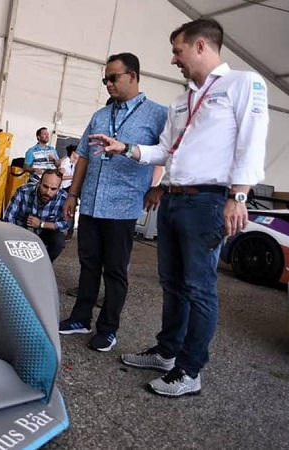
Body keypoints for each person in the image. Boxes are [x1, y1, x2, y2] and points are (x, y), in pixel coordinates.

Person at [89, 18, 269, 397]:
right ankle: (167, 352)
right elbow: (164, 151)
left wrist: (237, 196)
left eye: (177, 51)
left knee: (199, 288)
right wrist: (126, 148)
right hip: (172, 198)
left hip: (208, 200)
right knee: (171, 284)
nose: (173, 60)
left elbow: (252, 143)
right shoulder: (181, 101)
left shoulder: (243, 84)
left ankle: (190, 371)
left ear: (201, 46)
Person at [58, 53, 168, 355]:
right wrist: (72, 195)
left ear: (132, 76)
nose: (108, 83)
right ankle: (80, 318)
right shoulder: (101, 115)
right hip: (92, 204)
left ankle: (108, 330)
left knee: (115, 270)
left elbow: (168, 153)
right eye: (105, 79)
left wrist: (158, 187)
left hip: (123, 206)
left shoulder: (157, 114)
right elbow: (83, 156)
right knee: (88, 264)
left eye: (113, 78)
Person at [3, 169, 69, 261]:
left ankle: (44, 264)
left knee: (58, 241)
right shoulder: (23, 191)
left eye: (53, 189)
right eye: (45, 186)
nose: (48, 192)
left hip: (44, 232)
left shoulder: (63, 198)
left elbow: (66, 224)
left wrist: (41, 224)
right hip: (20, 231)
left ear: (59, 188)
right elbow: (8, 218)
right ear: (39, 183)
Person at [59, 144, 79, 240]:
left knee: (72, 209)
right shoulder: (65, 163)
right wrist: (73, 177)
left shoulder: (74, 163)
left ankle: (69, 230)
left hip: (71, 187)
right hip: (65, 188)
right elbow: (60, 175)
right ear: (73, 153)